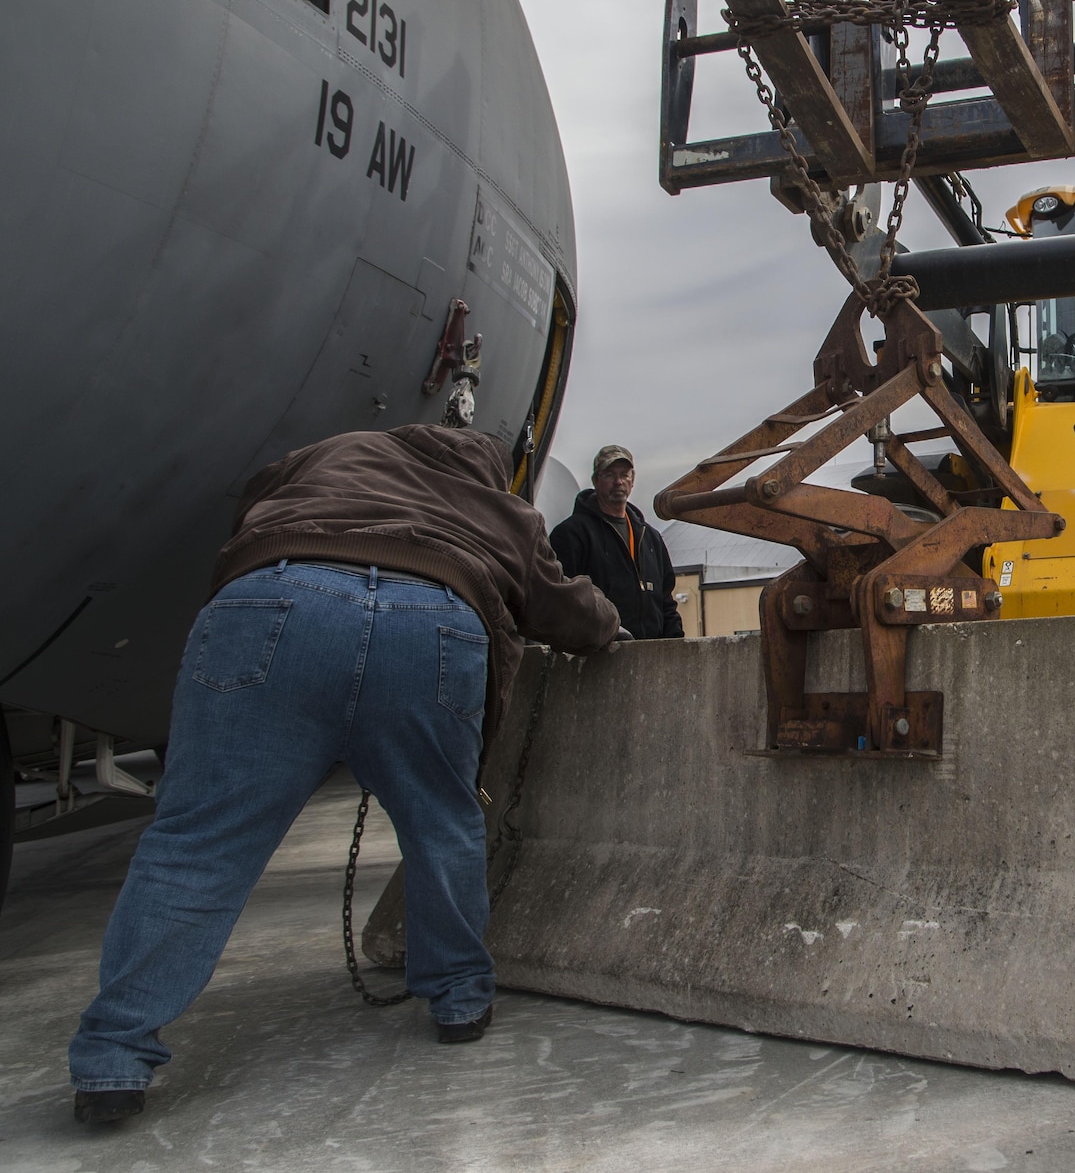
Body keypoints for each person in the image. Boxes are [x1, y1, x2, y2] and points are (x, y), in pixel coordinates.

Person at [67, 426, 618, 1124]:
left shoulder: (338, 452)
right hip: (431, 620)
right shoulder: (499, 506)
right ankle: (459, 999)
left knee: (196, 842)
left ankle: (113, 1057)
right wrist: (608, 625)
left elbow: (258, 497)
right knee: (441, 823)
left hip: (276, 596)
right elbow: (562, 605)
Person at [549, 445, 684, 640]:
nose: (618, 481)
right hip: (599, 657)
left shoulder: (650, 538)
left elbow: (666, 602)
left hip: (652, 656)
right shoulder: (571, 535)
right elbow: (565, 603)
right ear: (595, 480)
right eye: (609, 475)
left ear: (633, 480)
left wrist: (676, 646)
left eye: (624, 475)